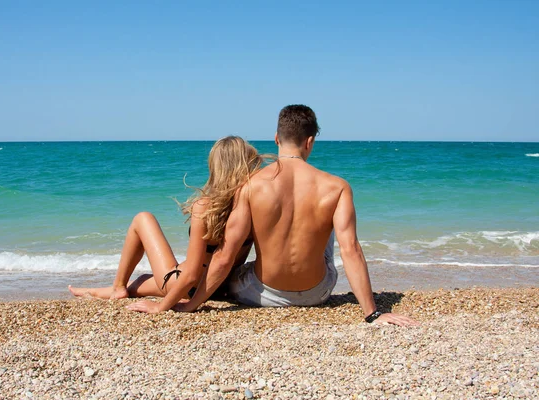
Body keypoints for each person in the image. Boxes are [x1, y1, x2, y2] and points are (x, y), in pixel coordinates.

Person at [174, 105, 418, 326]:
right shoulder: (337, 187)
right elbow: (350, 249)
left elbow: (225, 256)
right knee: (328, 219)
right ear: (310, 142)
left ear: (277, 139)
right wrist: (372, 313)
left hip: (260, 292)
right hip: (317, 293)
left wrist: (190, 306)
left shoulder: (250, 185)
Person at [68, 136, 263, 313]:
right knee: (142, 281)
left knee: (142, 219)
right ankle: (100, 290)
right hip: (221, 286)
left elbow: (192, 275)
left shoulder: (205, 207)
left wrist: (161, 307)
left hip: (186, 284)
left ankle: (118, 287)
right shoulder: (253, 208)